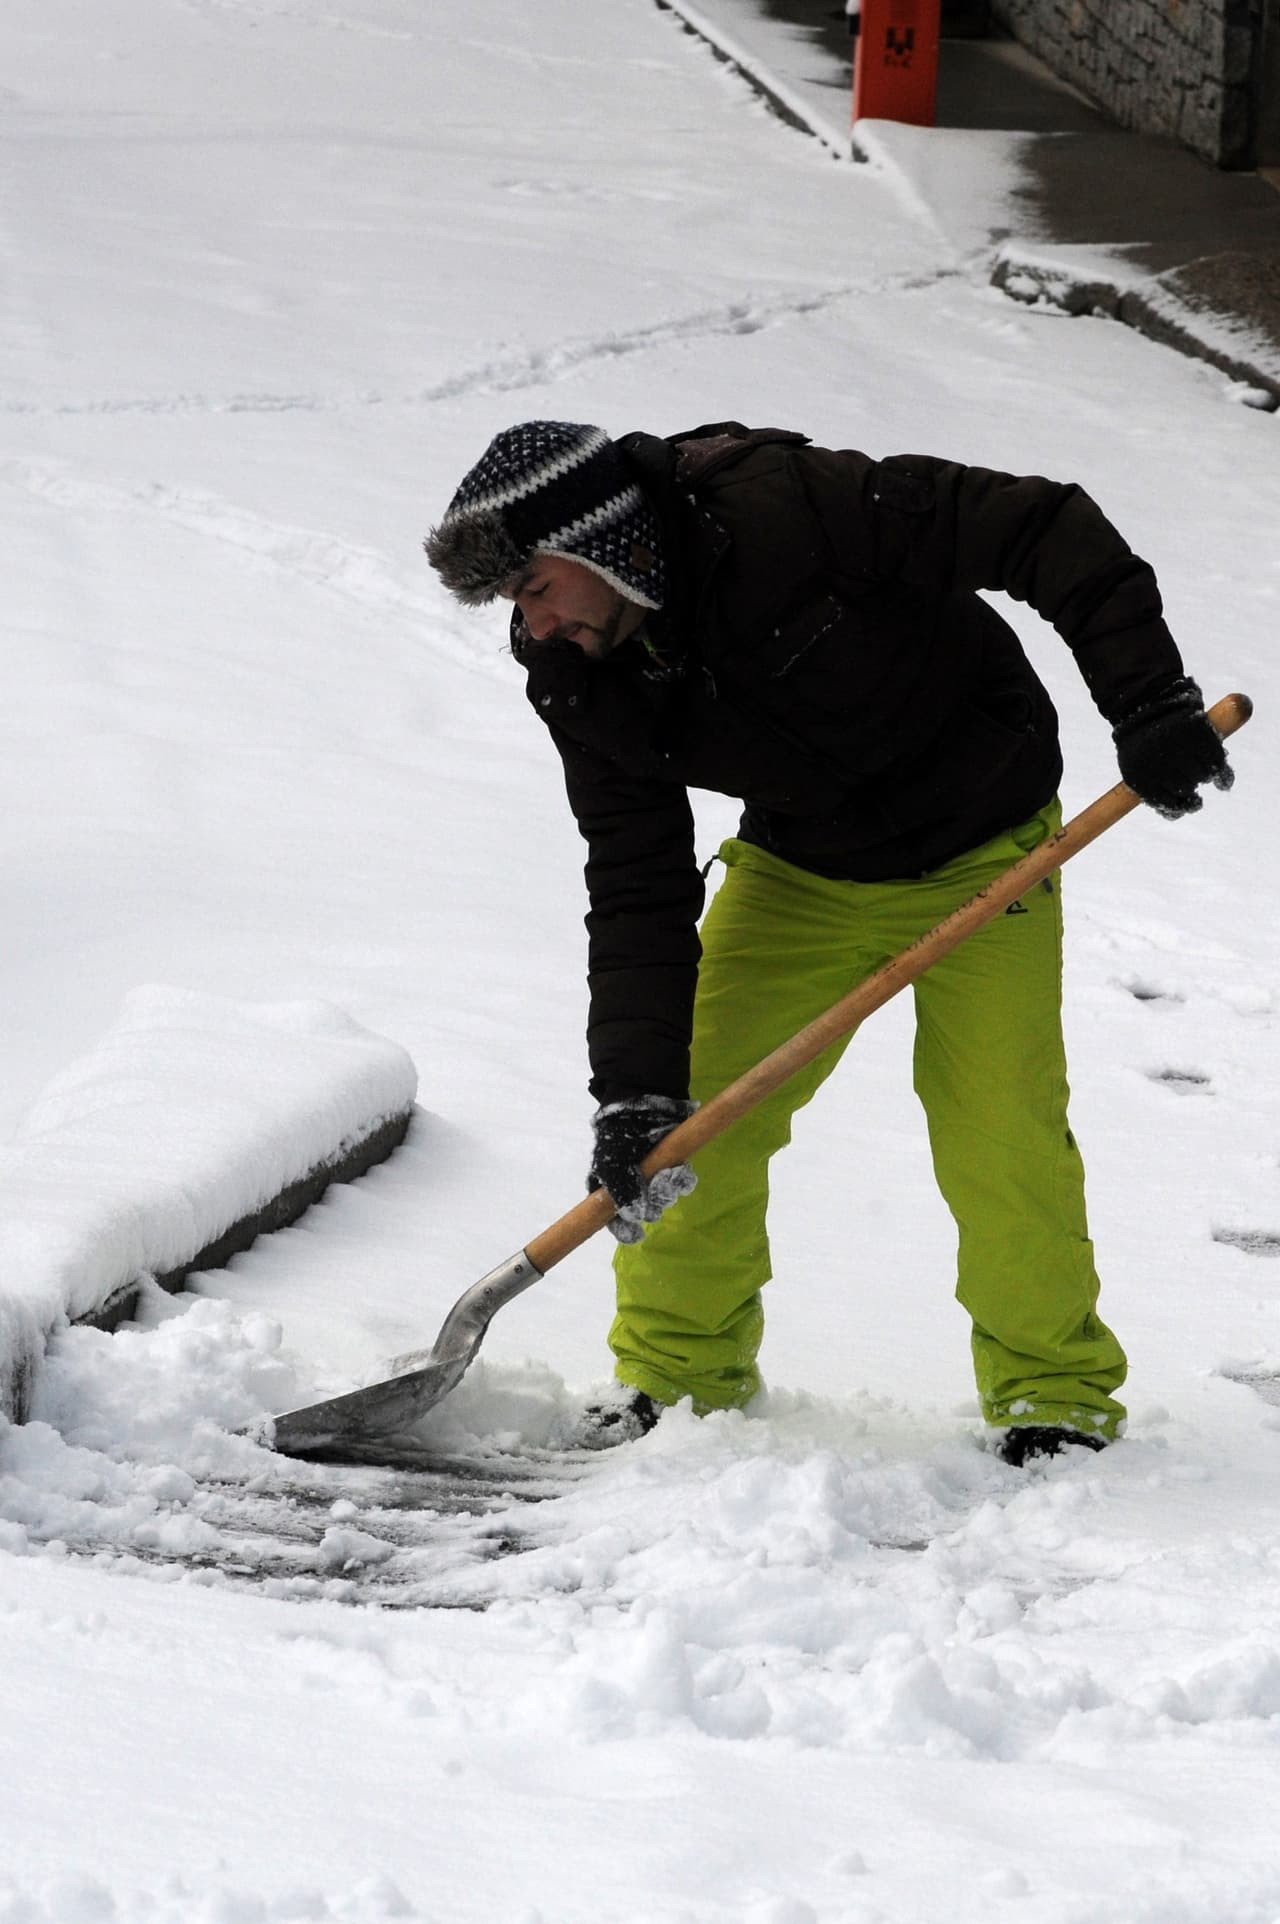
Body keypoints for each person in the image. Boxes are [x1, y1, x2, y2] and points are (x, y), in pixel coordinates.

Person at [425, 419, 1232, 1464]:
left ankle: (1054, 1393)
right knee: (687, 1128)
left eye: (534, 587)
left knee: (999, 1127)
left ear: (603, 543)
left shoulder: (790, 510)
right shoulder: (579, 671)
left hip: (985, 843)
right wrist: (632, 1088)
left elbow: (1041, 525)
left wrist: (1146, 701)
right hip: (801, 865)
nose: (529, 624)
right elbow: (635, 879)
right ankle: (679, 1375)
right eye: (510, 604)